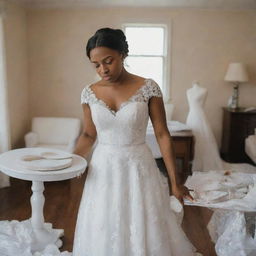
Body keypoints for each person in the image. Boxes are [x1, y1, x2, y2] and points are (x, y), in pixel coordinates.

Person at [73, 27, 196, 256]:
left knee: (141, 221)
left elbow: (162, 134)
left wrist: (175, 182)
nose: (103, 69)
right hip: (104, 168)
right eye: (96, 64)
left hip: (138, 165)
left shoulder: (148, 87)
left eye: (108, 61)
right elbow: (89, 135)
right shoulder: (88, 93)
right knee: (104, 221)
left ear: (122, 54)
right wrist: (74, 161)